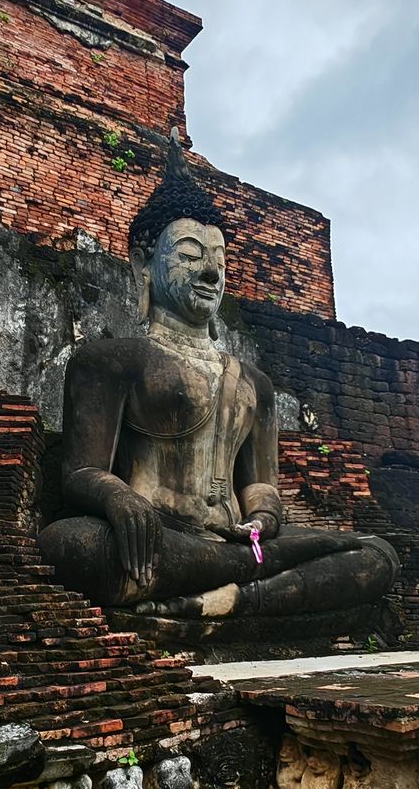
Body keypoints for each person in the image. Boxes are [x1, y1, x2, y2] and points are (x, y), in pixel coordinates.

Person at [38, 137, 398, 618]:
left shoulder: (254, 382)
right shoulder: (111, 360)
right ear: (143, 265)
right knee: (75, 545)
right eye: (190, 254)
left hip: (232, 542)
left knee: (377, 556)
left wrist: (264, 518)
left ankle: (215, 603)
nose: (210, 272)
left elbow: (261, 485)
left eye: (220, 261)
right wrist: (119, 497)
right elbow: (81, 473)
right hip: (159, 538)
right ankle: (246, 593)